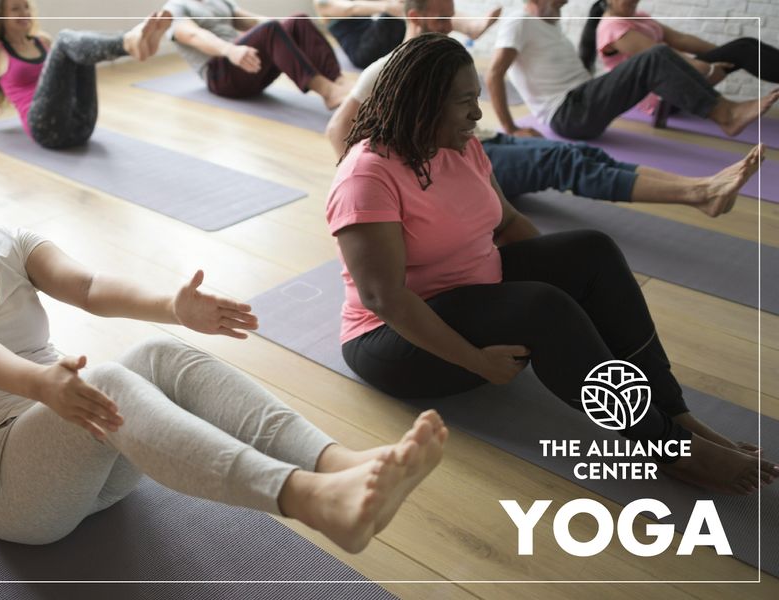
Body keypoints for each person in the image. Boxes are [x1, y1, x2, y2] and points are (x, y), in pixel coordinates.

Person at [0, 117, 448, 551]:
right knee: (104, 380)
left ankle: (340, 465)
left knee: (161, 352)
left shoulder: (10, 244)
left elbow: (87, 287)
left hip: (93, 459)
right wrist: (42, 383)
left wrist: (174, 306)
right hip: (9, 489)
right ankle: (308, 499)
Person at [329, 33, 776, 495]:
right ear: (423, 103)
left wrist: (574, 286)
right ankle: (666, 445)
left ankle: (674, 411)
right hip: (394, 340)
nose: (478, 115)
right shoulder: (367, 175)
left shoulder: (462, 148)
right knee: (543, 307)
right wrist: (478, 362)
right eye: (465, 102)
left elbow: (509, 223)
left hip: (471, 294)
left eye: (476, 98)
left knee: (590, 250)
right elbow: (385, 298)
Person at [325, 0, 763, 218]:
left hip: (483, 146)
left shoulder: (437, 50)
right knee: (565, 160)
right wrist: (397, 190)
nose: (451, 21)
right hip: (462, 165)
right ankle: (699, 194)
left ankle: (701, 185)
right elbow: (338, 133)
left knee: (590, 155)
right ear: (416, 16)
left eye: (452, 14)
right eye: (443, 17)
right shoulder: (389, 66)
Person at [485, 0, 778, 141]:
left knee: (659, 54)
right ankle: (726, 114)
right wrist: (511, 129)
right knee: (655, 56)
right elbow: (494, 73)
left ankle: (725, 112)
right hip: (567, 113)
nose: (567, 1)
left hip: (581, 102)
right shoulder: (518, 21)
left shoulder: (548, 21)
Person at [0, 1, 171, 149]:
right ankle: (128, 42)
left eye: (26, 6)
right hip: (46, 130)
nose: (24, 12)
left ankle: (134, 43)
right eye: (15, 9)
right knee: (66, 41)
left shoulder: (42, 41)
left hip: (81, 126)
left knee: (76, 47)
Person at [579, 0, 779, 118]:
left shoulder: (637, 16)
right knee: (743, 49)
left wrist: (727, 51)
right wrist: (705, 68)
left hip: (673, 77)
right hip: (659, 95)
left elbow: (680, 39)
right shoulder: (613, 28)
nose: (634, 1)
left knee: (745, 46)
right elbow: (660, 57)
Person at [166, 0, 351, 108]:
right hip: (221, 76)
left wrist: (285, 32)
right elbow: (193, 35)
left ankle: (339, 82)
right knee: (269, 29)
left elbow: (254, 21)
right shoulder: (174, 8)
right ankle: (329, 92)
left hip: (247, 64)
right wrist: (230, 50)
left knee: (297, 20)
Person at [313, 0, 500, 69]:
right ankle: (470, 28)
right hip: (362, 53)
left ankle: (469, 27)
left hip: (379, 39)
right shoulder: (322, 3)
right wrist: (391, 5)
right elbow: (354, 7)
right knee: (410, 6)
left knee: (420, 4)